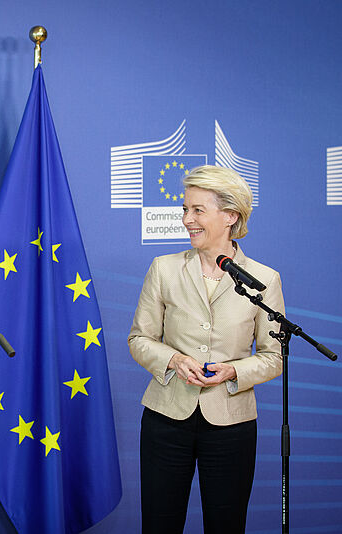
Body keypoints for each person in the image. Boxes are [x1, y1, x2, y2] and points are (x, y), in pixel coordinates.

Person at [128, 165, 284, 534]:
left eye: (198, 210)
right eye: (185, 209)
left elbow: (273, 355)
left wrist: (234, 371)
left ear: (230, 216)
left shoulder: (265, 279)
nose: (187, 219)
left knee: (227, 525)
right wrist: (173, 359)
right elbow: (139, 338)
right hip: (166, 419)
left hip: (231, 423)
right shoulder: (163, 268)